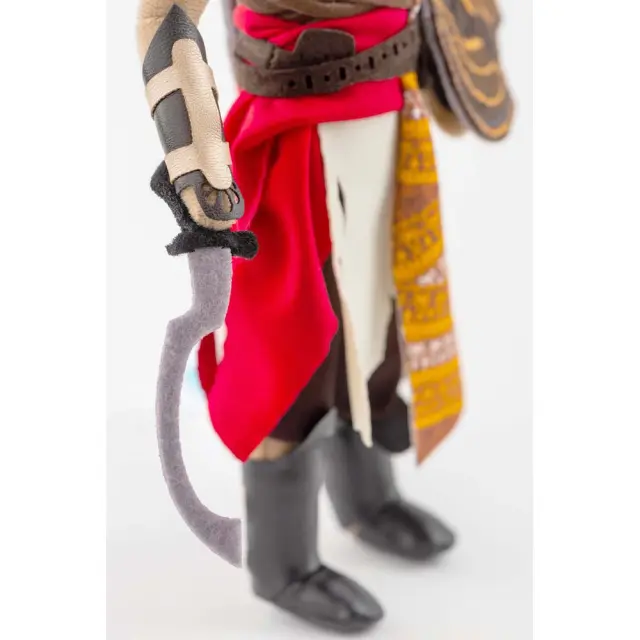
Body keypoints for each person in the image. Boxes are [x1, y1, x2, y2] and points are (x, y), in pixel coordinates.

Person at [137, 0, 512, 633]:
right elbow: (164, 15)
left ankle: (367, 500)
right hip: (294, 132)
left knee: (377, 325)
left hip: (391, 117)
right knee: (291, 354)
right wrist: (198, 164)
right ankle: (281, 562)